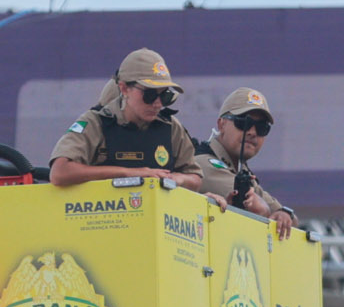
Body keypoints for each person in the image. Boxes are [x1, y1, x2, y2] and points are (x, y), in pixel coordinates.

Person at [46, 48, 217, 198]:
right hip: (101, 222)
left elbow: (194, 178)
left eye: (165, 96)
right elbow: (60, 173)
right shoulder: (96, 122)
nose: (157, 103)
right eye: (149, 95)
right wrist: (131, 174)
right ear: (124, 88)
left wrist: (176, 179)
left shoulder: (170, 127)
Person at [194, 87, 297, 239]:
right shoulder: (202, 163)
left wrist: (283, 214)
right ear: (221, 124)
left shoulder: (241, 171)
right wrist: (269, 212)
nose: (252, 132)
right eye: (243, 123)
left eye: (262, 127)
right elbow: (247, 202)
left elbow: (292, 220)